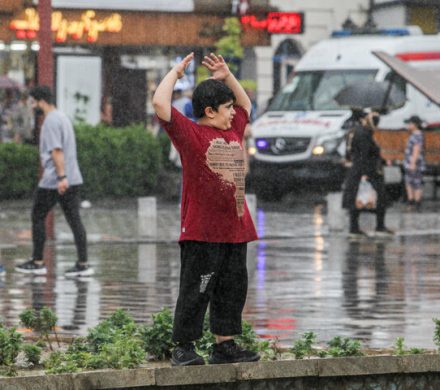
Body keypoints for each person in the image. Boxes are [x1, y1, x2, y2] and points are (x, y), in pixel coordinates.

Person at [153, 53, 259, 366]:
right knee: (196, 290)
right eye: (226, 109)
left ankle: (224, 346)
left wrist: (227, 76)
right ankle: (184, 347)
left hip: (236, 229)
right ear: (209, 111)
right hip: (202, 231)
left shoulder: (233, 130)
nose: (232, 113)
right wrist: (175, 72)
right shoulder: (191, 135)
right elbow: (160, 105)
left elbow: (246, 106)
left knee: (232, 289)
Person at [15, 86, 94, 277]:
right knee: (74, 220)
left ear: (41, 101)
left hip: (55, 179)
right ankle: (83, 264)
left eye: (33, 102)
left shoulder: (50, 121)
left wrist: (60, 177)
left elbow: (56, 151)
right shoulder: (62, 117)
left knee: (37, 215)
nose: (33, 106)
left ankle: (38, 261)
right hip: (72, 177)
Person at [342, 110, 393, 238]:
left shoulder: (353, 132)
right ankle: (379, 226)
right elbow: (364, 155)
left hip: (355, 170)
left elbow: (349, 153)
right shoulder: (364, 134)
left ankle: (354, 227)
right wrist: (365, 173)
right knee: (379, 198)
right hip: (368, 171)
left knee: (355, 199)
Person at [403, 115, 425, 212]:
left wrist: (413, 163)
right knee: (410, 182)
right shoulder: (414, 134)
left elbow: (416, 149)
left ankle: (416, 202)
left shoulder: (417, 135)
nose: (408, 125)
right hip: (411, 162)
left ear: (415, 124)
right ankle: (412, 201)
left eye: (410, 123)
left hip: (414, 163)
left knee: (415, 182)